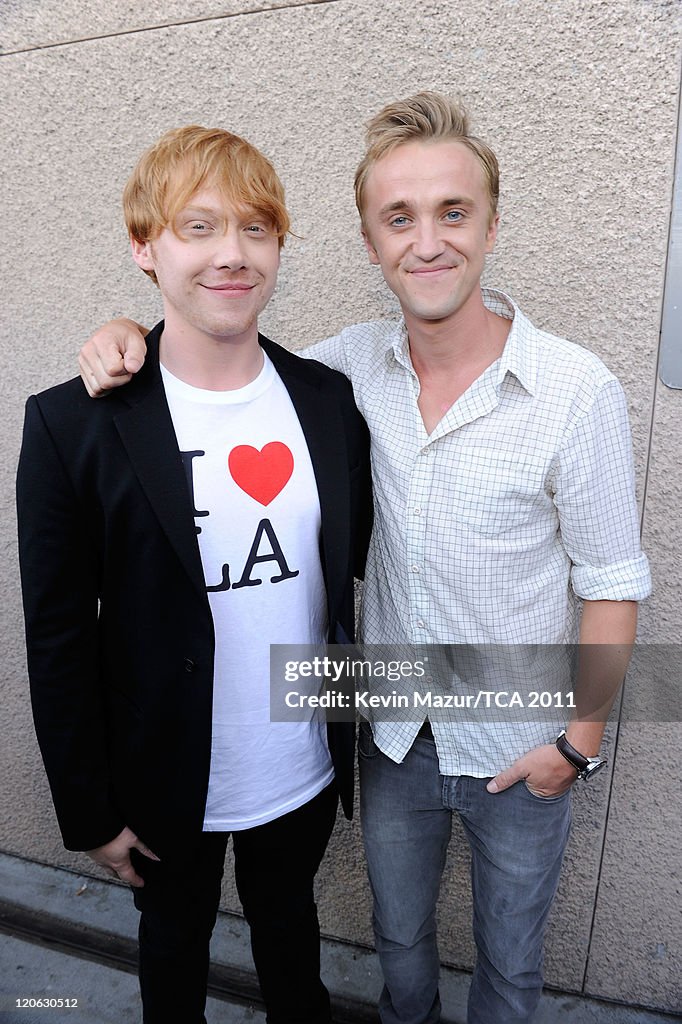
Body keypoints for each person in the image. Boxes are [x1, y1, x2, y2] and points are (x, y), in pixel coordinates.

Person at [76, 93, 651, 1024]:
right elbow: (218, 359)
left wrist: (575, 747)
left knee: (511, 968)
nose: (428, 242)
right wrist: (124, 337)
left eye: (453, 213)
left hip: (521, 741)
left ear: (492, 226)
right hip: (389, 741)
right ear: (370, 239)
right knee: (400, 951)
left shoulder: (575, 391)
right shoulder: (342, 374)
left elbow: (613, 584)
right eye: (399, 218)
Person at [17, 124, 371, 1024]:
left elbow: (344, 581)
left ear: (280, 246)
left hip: (298, 762)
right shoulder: (75, 424)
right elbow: (57, 636)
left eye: (256, 228)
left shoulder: (327, 401)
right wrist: (87, 810)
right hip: (163, 777)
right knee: (171, 963)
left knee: (293, 947)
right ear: (145, 247)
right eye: (199, 227)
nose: (233, 254)